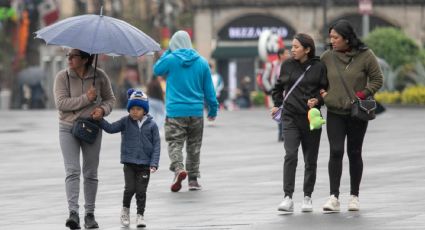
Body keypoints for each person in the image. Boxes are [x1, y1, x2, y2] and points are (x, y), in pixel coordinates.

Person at [320, 20, 383, 212]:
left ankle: (354, 196)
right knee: (336, 151)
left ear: (347, 38)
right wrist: (324, 94)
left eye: (335, 37)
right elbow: (318, 80)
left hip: (357, 113)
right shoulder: (327, 57)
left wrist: (362, 94)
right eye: (330, 37)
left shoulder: (366, 55)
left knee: (354, 153)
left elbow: (377, 79)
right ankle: (333, 197)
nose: (332, 41)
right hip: (335, 113)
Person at [53, 49, 116, 229]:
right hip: (67, 128)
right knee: (72, 170)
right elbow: (61, 103)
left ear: (86, 59)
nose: (69, 59)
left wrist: (102, 110)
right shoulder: (62, 77)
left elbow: (111, 99)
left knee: (90, 172)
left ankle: (90, 214)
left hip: (91, 127)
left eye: (74, 56)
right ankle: (73, 213)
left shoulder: (100, 76)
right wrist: (86, 99)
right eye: (68, 56)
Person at [153, 30, 218, 192]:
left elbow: (157, 70)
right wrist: (213, 109)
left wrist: (169, 51)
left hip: (175, 111)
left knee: (175, 143)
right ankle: (193, 180)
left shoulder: (171, 59)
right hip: (196, 111)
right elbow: (209, 89)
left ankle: (178, 169)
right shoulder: (202, 62)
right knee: (194, 146)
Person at [271, 33, 328, 213]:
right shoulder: (287, 65)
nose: (292, 50)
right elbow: (278, 88)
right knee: (290, 155)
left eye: (296, 47)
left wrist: (317, 100)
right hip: (290, 117)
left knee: (310, 159)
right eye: (292, 47)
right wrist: (277, 104)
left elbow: (325, 90)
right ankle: (287, 197)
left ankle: (307, 197)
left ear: (307, 49)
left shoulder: (318, 67)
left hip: (311, 118)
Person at [99, 89, 160, 228]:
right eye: (132, 108)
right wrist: (100, 119)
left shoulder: (152, 125)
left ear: (145, 110)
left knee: (141, 191)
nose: (134, 111)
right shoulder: (125, 122)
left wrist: (154, 163)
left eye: (138, 109)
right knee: (129, 189)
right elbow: (110, 128)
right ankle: (125, 211)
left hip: (145, 164)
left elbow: (157, 145)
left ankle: (140, 216)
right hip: (129, 163)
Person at [263, 48, 290, 141]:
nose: (288, 54)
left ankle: (283, 133)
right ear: (281, 55)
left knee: (286, 111)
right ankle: (281, 133)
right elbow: (265, 78)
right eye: (286, 53)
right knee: (279, 110)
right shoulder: (272, 65)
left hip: (288, 92)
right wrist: (270, 89)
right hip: (277, 92)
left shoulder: (290, 64)